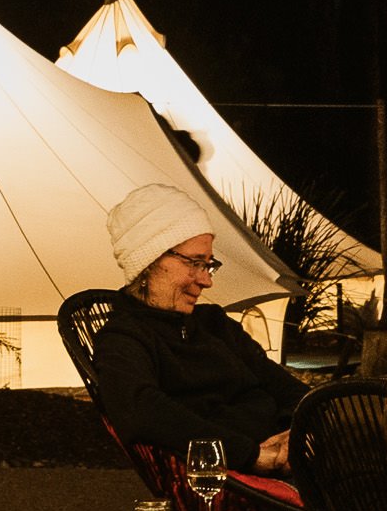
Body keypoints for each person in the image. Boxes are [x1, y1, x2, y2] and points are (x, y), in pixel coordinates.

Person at [86, 182, 301, 475]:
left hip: (291, 453)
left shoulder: (213, 323)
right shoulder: (124, 339)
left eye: (209, 265)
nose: (207, 280)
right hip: (237, 481)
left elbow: (286, 388)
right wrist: (252, 455)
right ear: (149, 262)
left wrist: (296, 435)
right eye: (195, 263)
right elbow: (140, 411)